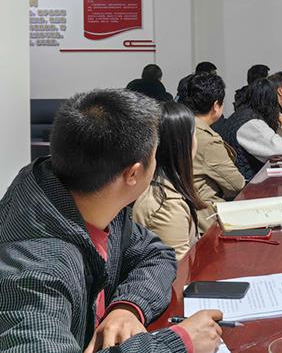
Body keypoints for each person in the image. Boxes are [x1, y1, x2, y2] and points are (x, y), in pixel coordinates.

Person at [0, 89, 223, 352]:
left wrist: (128, 307)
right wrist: (179, 344)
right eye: (155, 155)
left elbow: (156, 254)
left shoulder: (96, 203)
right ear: (133, 174)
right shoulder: (36, 269)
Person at [134, 102, 206, 260]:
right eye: (194, 134)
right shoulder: (167, 206)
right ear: (183, 144)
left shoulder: (160, 185)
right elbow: (179, 269)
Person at [181, 73, 245, 232]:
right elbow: (236, 185)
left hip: (184, 213)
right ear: (216, 105)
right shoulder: (207, 140)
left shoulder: (180, 126)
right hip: (205, 217)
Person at [222, 76, 282, 180]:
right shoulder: (250, 122)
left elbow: (281, 138)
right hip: (247, 182)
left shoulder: (249, 112)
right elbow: (275, 146)